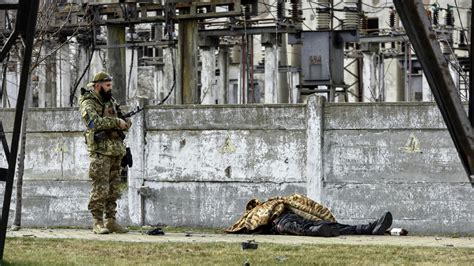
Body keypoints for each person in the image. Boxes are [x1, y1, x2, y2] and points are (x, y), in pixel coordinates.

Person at [79, 71, 131, 234]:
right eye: (107, 86)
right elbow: (93, 122)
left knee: (114, 188)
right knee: (100, 188)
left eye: (110, 85)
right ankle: (97, 222)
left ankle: (110, 220)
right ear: (97, 86)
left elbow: (126, 121)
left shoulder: (112, 102)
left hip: (116, 151)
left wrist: (124, 123)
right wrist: (116, 122)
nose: (110, 88)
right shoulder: (88, 102)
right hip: (101, 152)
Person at [226, 193, 394, 237]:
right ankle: (368, 228)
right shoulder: (255, 212)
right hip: (285, 219)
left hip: (282, 220)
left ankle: (371, 227)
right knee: (336, 228)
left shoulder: (268, 206)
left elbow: (243, 227)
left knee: (298, 227)